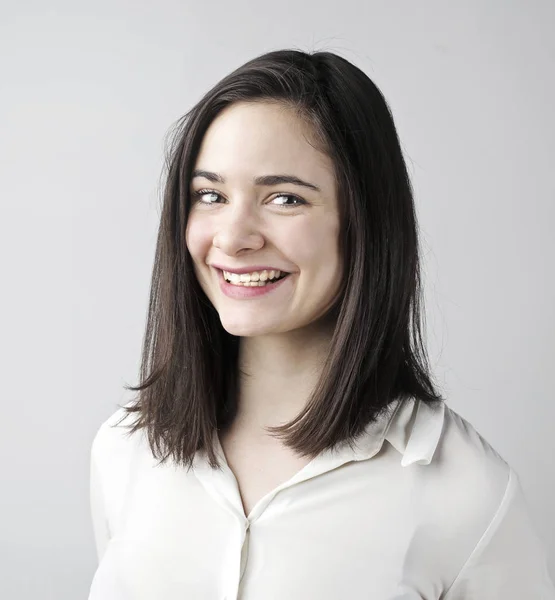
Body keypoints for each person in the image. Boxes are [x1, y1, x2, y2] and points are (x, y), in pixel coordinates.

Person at [88, 48, 555, 599]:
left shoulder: (465, 490)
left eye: (285, 198)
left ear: (364, 223)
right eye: (210, 195)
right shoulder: (127, 448)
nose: (234, 237)